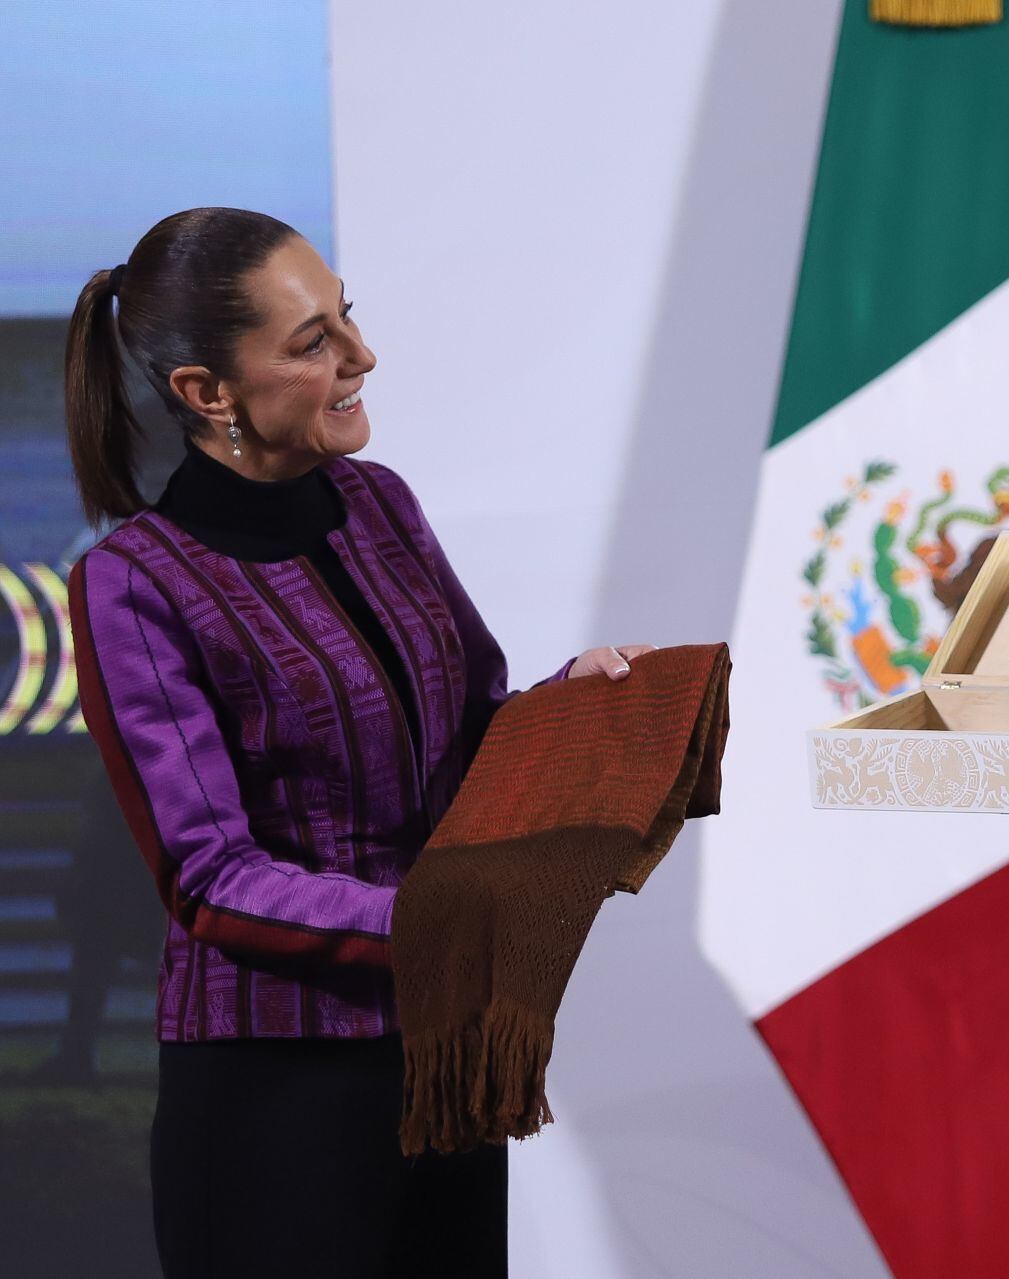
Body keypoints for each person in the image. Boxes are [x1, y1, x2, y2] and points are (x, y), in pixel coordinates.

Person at [63, 207, 650, 1278]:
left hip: (442, 1066)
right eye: (312, 342)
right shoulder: (133, 583)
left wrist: (581, 711)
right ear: (205, 392)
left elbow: (473, 729)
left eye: (348, 319)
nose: (361, 357)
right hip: (272, 1100)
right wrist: (430, 917)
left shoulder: (381, 503)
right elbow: (209, 878)